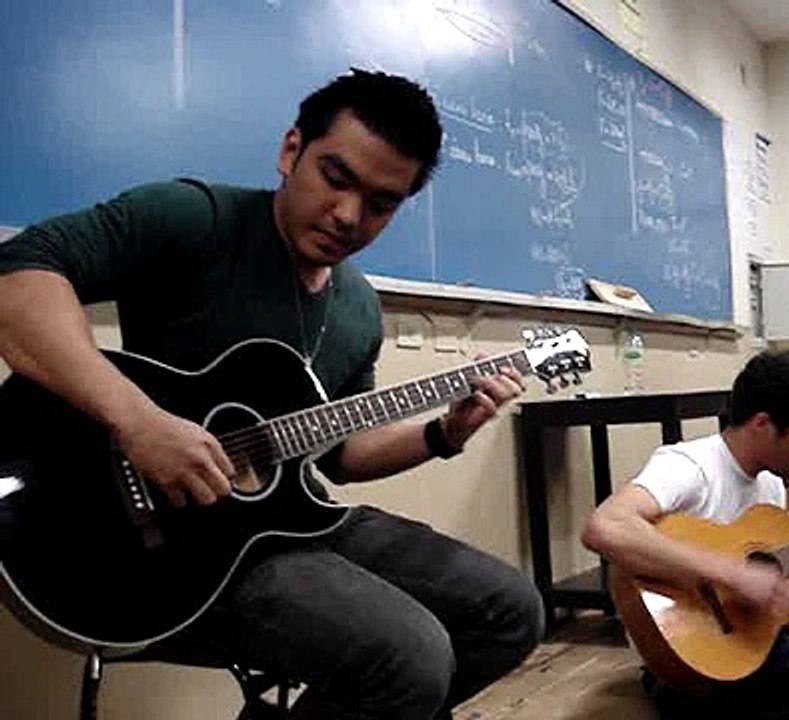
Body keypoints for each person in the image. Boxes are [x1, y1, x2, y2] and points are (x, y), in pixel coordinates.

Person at [0, 69, 543, 720]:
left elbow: (340, 453)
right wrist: (138, 421)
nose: (348, 215)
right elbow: (17, 278)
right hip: (153, 553)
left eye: (379, 203)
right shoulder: (196, 218)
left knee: (512, 612)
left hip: (287, 523)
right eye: (335, 179)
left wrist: (445, 433)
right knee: (410, 655)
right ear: (291, 151)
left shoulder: (357, 309)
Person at [581, 350, 789, 718]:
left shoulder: (771, 487)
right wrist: (729, 572)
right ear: (762, 424)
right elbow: (605, 527)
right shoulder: (690, 466)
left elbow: (788, 610)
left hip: (757, 646)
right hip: (692, 668)